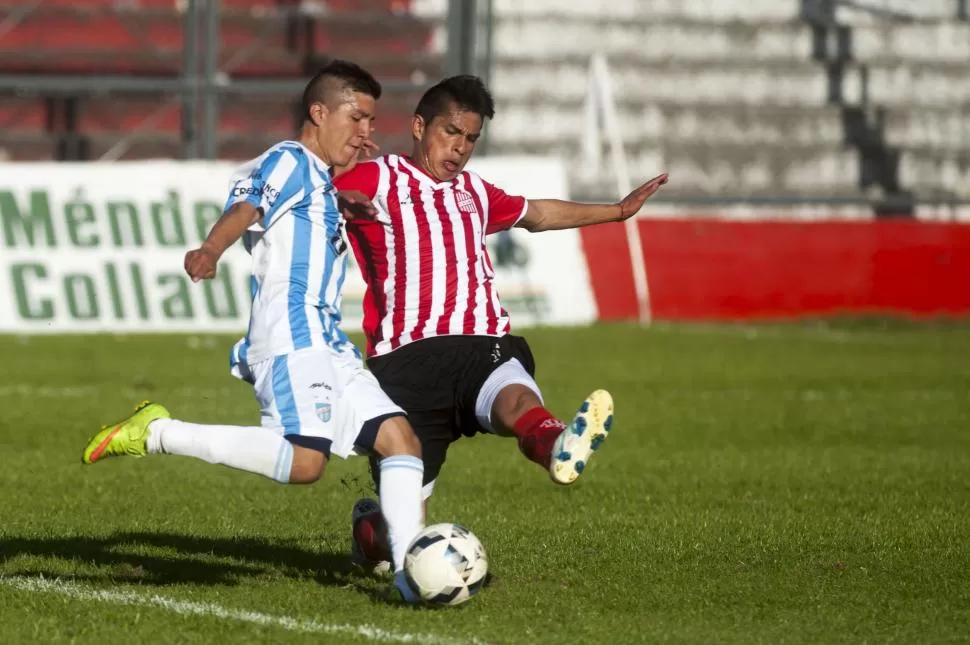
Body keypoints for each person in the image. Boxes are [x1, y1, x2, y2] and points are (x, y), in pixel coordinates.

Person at [80, 60, 425, 601]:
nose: (367, 134)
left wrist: (342, 204)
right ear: (319, 112)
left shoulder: (320, 179)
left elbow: (300, 218)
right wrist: (211, 249)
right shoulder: (289, 160)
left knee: (400, 440)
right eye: (358, 119)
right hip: (291, 334)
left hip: (328, 339)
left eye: (372, 123)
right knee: (305, 463)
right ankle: (157, 432)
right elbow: (248, 205)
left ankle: (410, 574)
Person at [332, 74, 668, 570]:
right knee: (400, 535)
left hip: (480, 341)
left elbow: (537, 214)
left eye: (470, 138)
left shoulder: (474, 191)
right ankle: (370, 533)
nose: (460, 148)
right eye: (451, 133)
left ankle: (557, 443)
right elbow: (307, 194)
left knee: (516, 394)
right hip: (406, 361)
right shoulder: (378, 178)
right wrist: (332, 185)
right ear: (420, 127)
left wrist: (617, 212)